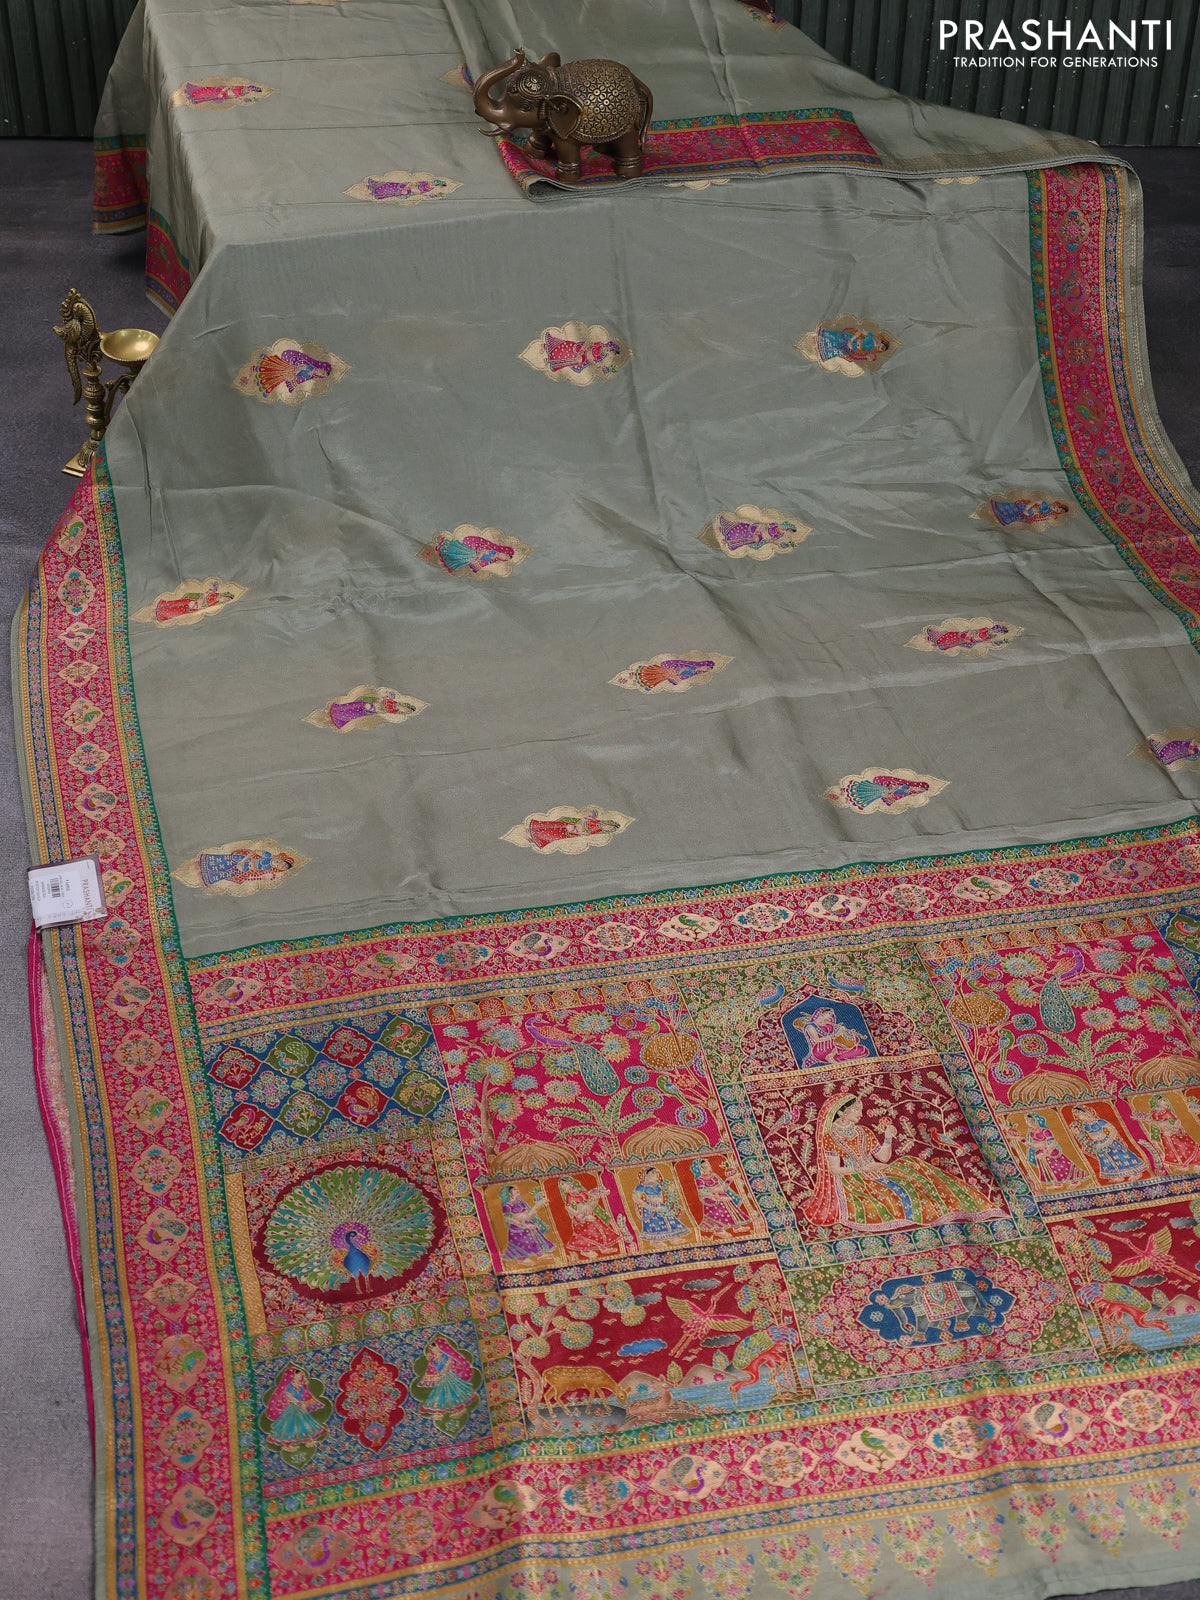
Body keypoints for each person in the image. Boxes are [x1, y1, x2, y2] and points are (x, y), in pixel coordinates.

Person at [801, 1093, 1005, 1232]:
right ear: (841, 1112)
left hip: (876, 1169)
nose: (860, 1114)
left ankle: (964, 1206)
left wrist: (888, 1138)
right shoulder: (830, 1137)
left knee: (914, 1166)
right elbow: (835, 1169)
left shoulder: (864, 1131)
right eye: (856, 1110)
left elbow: (883, 1157)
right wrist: (862, 1168)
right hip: (853, 1180)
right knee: (897, 1192)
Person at [1067, 1107, 1146, 1179]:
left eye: (1080, 1114)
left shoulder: (1099, 1121)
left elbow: (1112, 1129)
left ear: (1086, 1113)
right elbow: (1084, 1137)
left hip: (1109, 1142)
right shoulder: (1084, 1125)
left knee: (1122, 1156)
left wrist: (1110, 1139)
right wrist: (1077, 1133)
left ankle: (1135, 1173)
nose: (1079, 1116)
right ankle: (1117, 1176)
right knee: (1106, 1161)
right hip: (1098, 1145)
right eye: (1077, 1115)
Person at [690, 1158, 752, 1236]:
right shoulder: (700, 1179)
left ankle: (737, 1227)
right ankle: (718, 1230)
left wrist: (729, 1179)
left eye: (708, 1164)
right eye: (706, 1165)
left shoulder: (714, 1176)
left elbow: (722, 1189)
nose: (709, 1166)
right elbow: (701, 1192)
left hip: (719, 1194)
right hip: (710, 1197)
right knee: (722, 1202)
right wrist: (714, 1196)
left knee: (726, 1198)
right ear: (701, 1168)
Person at [499, 1183, 556, 1262]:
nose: (517, 1190)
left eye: (517, 1189)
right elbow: (509, 1219)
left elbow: (527, 1214)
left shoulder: (520, 1202)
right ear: (509, 1193)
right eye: (515, 1189)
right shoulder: (507, 1206)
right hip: (517, 1227)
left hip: (527, 1222)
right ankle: (521, 1259)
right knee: (522, 1243)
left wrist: (537, 1206)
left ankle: (540, 1255)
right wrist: (524, 1225)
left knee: (535, 1239)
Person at [632, 1166, 690, 1240]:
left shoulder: (657, 1185)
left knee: (670, 1222)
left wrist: (671, 1191)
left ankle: (674, 1238)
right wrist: (649, 1207)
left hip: (662, 1206)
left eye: (657, 1173)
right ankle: (656, 1241)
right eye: (653, 1173)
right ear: (646, 1175)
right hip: (650, 1209)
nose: (656, 1174)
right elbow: (636, 1198)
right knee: (655, 1225)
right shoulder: (641, 1186)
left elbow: (666, 1194)